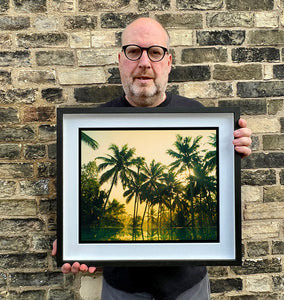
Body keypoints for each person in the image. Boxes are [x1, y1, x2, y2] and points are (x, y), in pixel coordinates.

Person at [52, 17, 252, 299]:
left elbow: (212, 186)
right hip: (121, 289)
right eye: (134, 51)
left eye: (155, 52)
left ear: (168, 62)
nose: (144, 62)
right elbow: (78, 199)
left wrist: (234, 151)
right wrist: (75, 239)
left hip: (188, 287)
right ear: (120, 60)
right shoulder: (92, 126)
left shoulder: (199, 117)